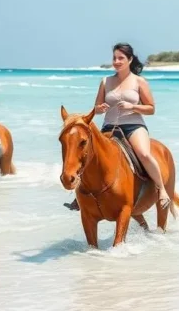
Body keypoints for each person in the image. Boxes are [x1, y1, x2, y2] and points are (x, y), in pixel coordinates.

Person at [64, 43, 172, 211]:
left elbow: (151, 108)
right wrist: (99, 109)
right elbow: (97, 107)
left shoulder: (139, 82)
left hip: (134, 126)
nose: (117, 61)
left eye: (121, 58)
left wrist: (133, 107)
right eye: (114, 58)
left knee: (144, 154)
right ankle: (80, 196)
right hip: (109, 126)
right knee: (90, 155)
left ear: (130, 60)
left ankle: (162, 189)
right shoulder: (106, 81)